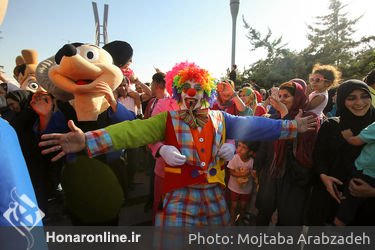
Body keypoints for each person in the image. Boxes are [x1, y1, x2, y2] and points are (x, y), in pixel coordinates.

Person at [39, 62, 317, 227]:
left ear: (206, 92)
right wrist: (88, 139)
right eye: (185, 88)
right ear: (178, 91)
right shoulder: (167, 118)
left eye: (197, 87)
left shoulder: (221, 117)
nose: (191, 93)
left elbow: (257, 125)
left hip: (214, 195)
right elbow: (132, 131)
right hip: (178, 195)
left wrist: (292, 126)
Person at [306, 80, 375, 226]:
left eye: (364, 96)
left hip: (365, 210)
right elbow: (319, 157)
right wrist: (324, 178)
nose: (359, 102)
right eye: (351, 98)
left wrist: (372, 191)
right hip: (327, 202)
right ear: (342, 100)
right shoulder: (332, 125)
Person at [255, 81, 320, 226]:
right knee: (263, 214)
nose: (282, 99)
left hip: (294, 177)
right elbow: (265, 146)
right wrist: (257, 167)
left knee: (289, 221)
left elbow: (304, 150)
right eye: (280, 96)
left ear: (297, 97)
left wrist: (286, 115)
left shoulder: (309, 118)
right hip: (272, 174)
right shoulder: (274, 118)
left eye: (287, 96)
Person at [333, 121, 375, 225]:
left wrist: (348, 137)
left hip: (364, 174)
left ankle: (336, 234)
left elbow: (357, 141)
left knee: (346, 210)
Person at [227, 141, 259, 225]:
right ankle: (232, 223)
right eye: (239, 146)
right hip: (234, 188)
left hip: (246, 190)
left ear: (251, 152)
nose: (239, 149)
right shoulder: (234, 158)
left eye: (244, 147)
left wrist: (254, 176)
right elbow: (231, 172)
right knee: (233, 206)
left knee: (243, 207)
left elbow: (255, 175)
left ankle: (240, 221)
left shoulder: (252, 162)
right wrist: (242, 174)